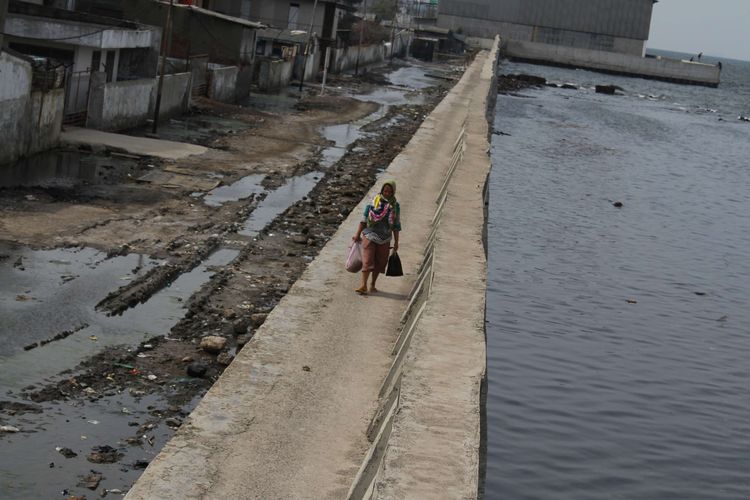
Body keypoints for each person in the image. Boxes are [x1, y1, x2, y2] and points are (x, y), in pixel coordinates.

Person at [352, 180, 401, 294]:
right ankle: (363, 285)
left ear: (393, 192)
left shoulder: (395, 206)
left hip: (385, 238)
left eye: (389, 191)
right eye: (385, 191)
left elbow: (396, 225)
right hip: (369, 235)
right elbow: (364, 219)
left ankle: (372, 284)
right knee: (367, 260)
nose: (387, 193)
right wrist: (357, 234)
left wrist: (396, 243)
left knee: (380, 262)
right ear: (382, 190)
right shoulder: (374, 201)